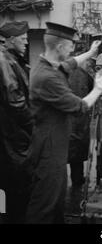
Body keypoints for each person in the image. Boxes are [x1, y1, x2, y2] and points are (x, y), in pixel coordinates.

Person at [26, 22, 102, 224]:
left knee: (57, 198)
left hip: (54, 143)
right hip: (48, 148)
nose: (72, 49)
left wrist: (91, 52)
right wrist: (99, 88)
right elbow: (81, 106)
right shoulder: (47, 78)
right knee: (46, 203)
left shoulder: (48, 65)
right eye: (70, 46)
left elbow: (71, 63)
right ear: (60, 47)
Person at [0, 21, 33, 224]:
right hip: (13, 135)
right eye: (22, 39)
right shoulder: (5, 62)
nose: (26, 43)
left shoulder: (12, 59)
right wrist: (34, 124)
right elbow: (15, 102)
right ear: (11, 40)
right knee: (17, 185)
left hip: (11, 133)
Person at [68, 58, 94, 187]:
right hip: (77, 118)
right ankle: (77, 179)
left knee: (69, 152)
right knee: (76, 153)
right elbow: (93, 89)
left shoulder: (62, 71)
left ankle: (76, 179)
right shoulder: (83, 74)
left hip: (73, 118)